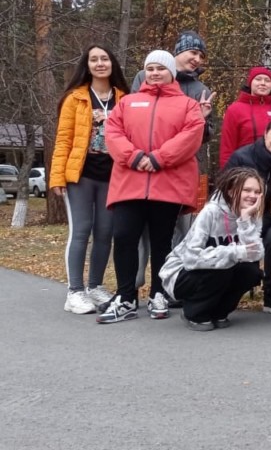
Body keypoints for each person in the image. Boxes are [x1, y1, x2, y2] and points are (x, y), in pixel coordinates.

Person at [97, 50, 205, 323]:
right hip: (129, 182)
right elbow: (113, 133)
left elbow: (191, 134)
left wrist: (158, 158)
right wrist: (134, 157)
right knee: (123, 237)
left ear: (171, 72)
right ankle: (126, 297)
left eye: (161, 69)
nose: (155, 73)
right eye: (150, 68)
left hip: (166, 184)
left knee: (161, 241)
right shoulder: (128, 102)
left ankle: (159, 292)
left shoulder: (187, 105)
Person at [132, 31, 216, 291]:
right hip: (143, 169)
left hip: (180, 171)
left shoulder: (201, 90)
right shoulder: (144, 76)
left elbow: (203, 136)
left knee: (178, 232)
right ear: (178, 51)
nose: (197, 59)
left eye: (201, 55)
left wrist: (201, 119)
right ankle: (132, 287)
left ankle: (169, 288)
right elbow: (133, 117)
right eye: (193, 52)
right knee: (139, 232)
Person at [50, 45, 130, 314]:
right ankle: (74, 291)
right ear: (87, 65)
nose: (99, 63)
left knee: (106, 233)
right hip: (81, 176)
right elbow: (63, 140)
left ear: (112, 64)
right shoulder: (75, 98)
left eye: (104, 59)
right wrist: (57, 177)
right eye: (94, 59)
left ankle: (95, 286)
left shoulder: (124, 98)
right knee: (81, 231)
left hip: (113, 176)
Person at [158, 167, 265, 330]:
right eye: (247, 190)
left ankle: (219, 312)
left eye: (257, 192)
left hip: (216, 271)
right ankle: (194, 313)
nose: (253, 196)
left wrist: (244, 220)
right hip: (180, 274)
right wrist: (234, 252)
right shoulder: (211, 212)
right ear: (230, 190)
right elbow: (191, 258)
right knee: (223, 266)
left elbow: (255, 254)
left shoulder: (251, 214)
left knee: (251, 271)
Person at [223, 118, 271, 314]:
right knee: (243, 239)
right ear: (265, 133)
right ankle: (228, 292)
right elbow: (225, 192)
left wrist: (263, 224)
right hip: (238, 215)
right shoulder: (241, 157)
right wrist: (247, 220)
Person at [219, 66, 271, 168]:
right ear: (250, 83)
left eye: (267, 80)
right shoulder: (235, 109)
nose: (263, 83)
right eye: (258, 79)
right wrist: (227, 175)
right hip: (244, 170)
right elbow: (227, 147)